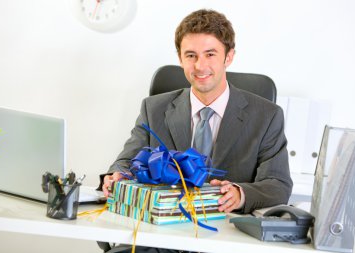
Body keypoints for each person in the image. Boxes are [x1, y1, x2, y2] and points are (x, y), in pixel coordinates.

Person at [100, 9, 292, 253]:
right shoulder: (154, 108)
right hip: (160, 236)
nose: (200, 66)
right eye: (191, 55)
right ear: (180, 58)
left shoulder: (267, 115)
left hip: (225, 239)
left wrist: (240, 194)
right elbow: (125, 162)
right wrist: (116, 176)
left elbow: (278, 184)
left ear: (229, 56)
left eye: (210, 54)